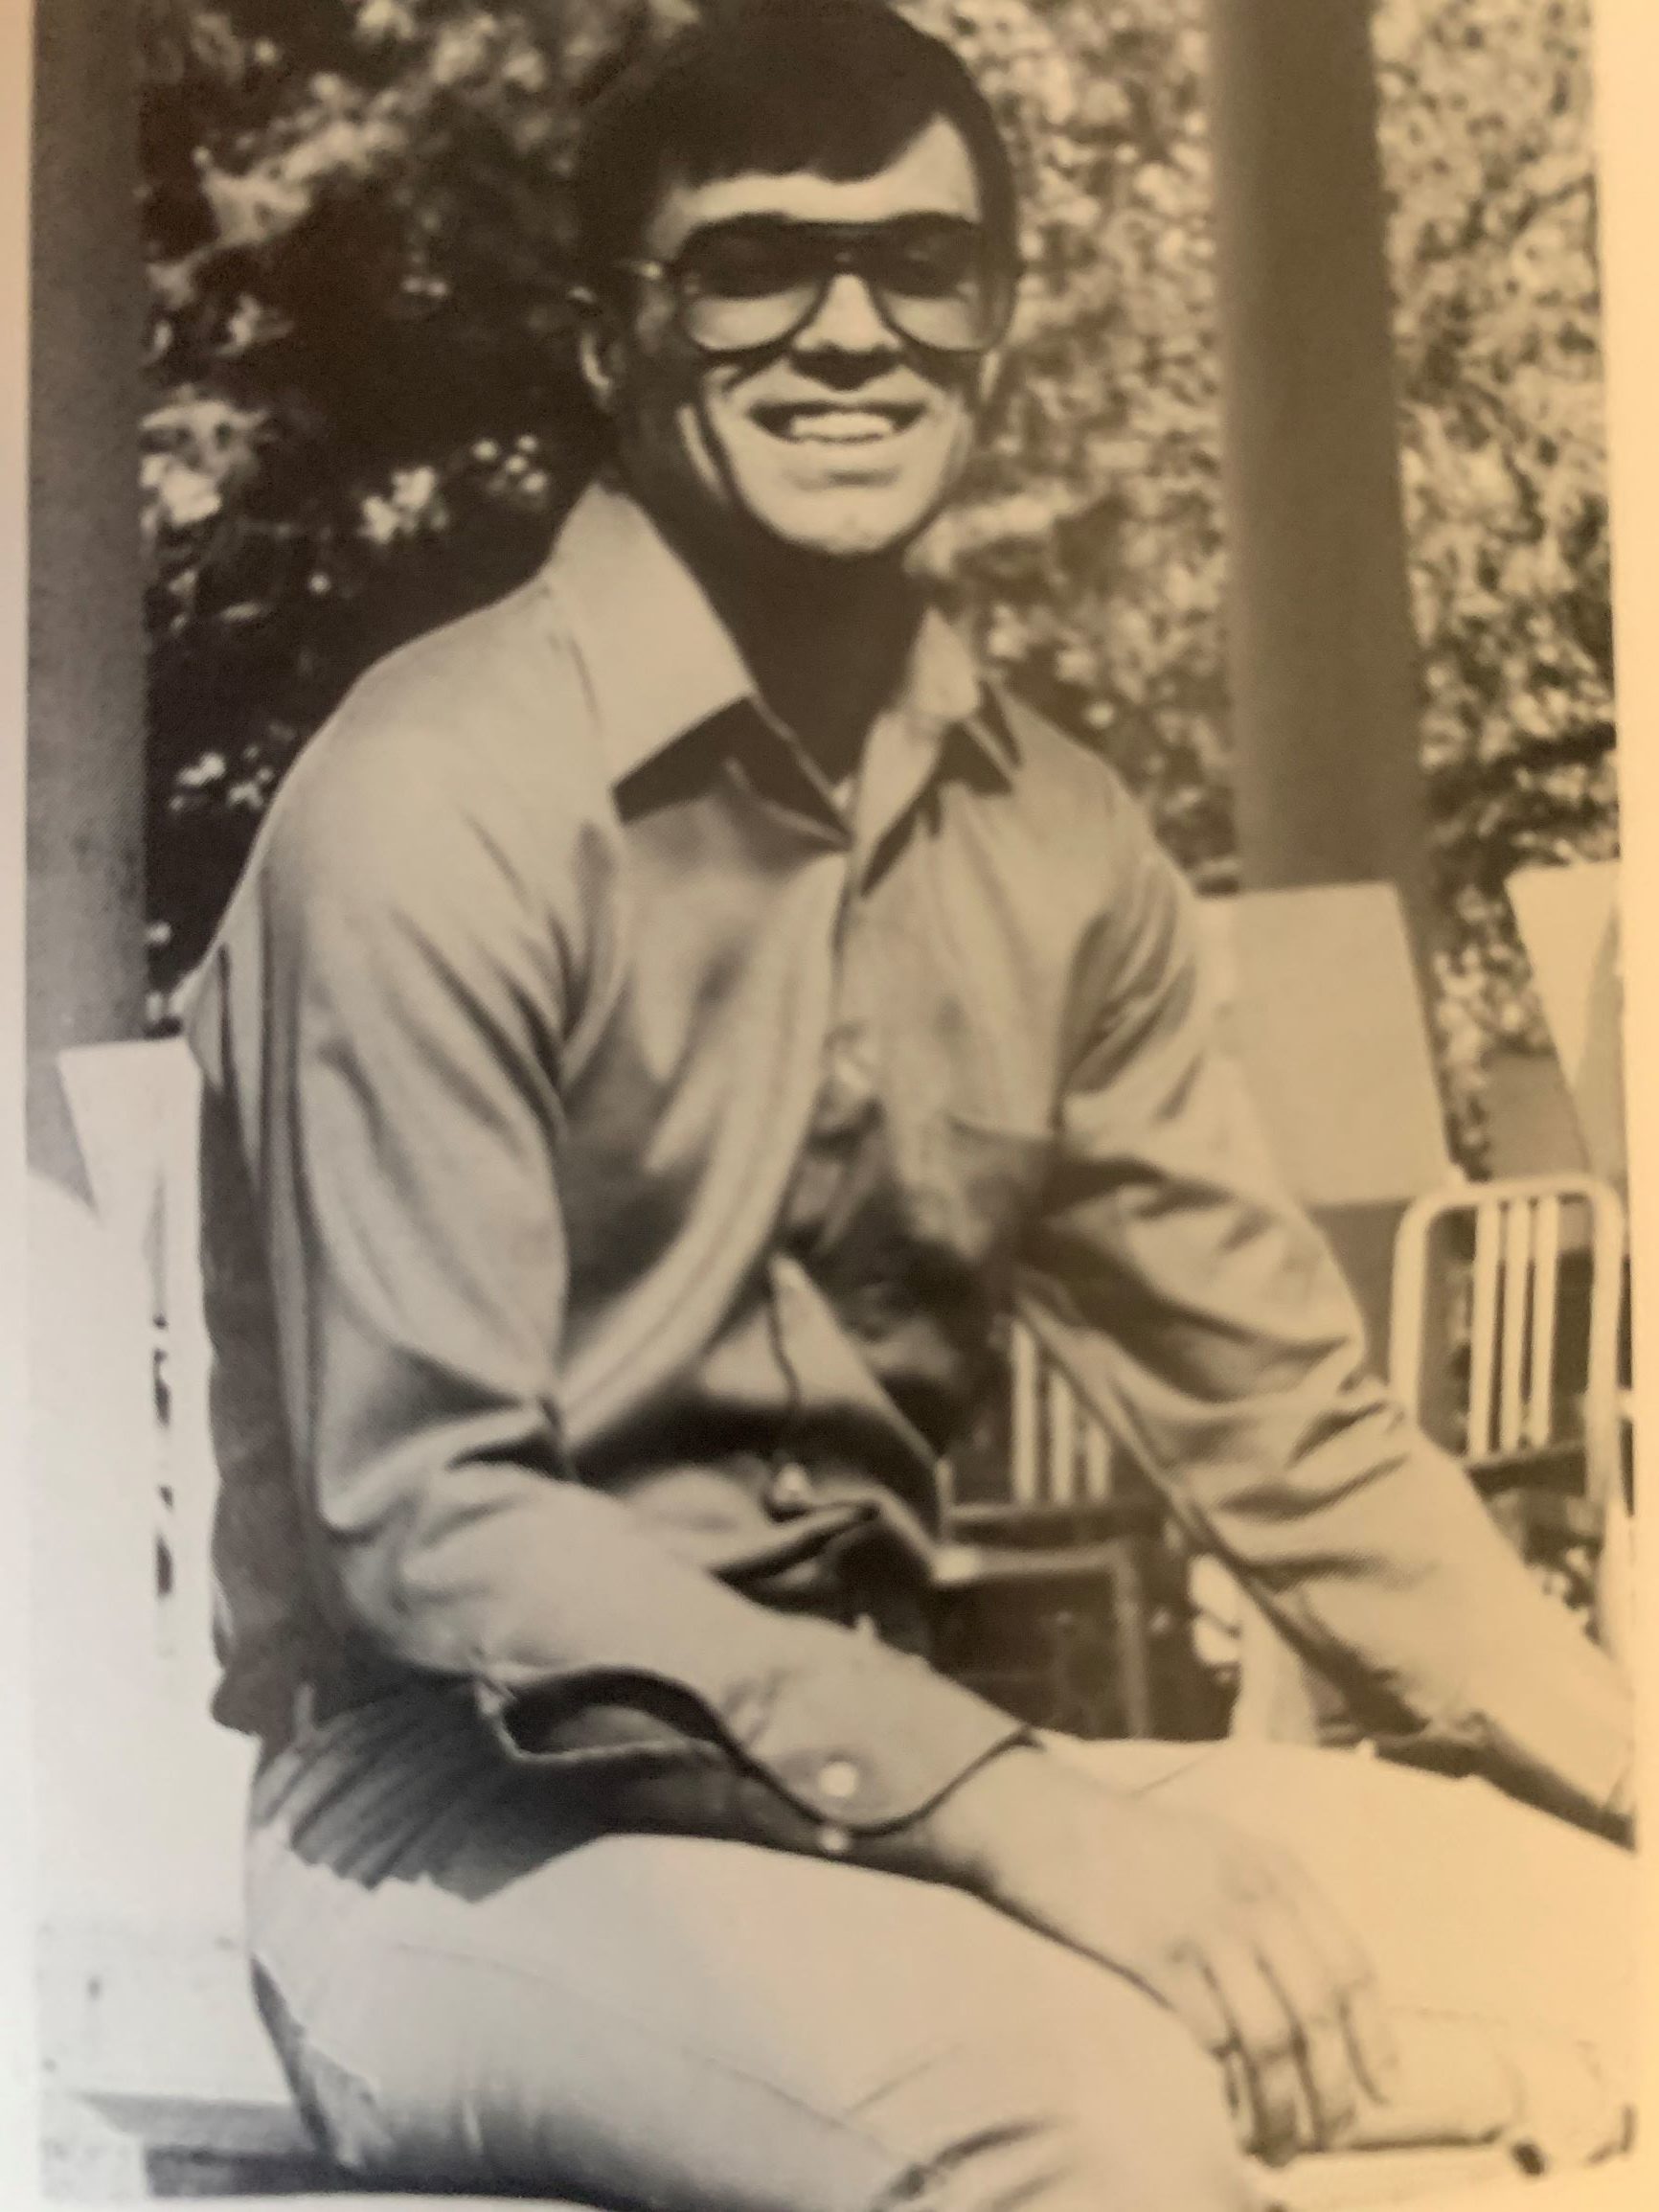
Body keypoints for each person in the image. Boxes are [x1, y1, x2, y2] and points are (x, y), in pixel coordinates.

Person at [184, 5, 1634, 2206]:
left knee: (1618, 1960)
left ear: (993, 329)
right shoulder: (432, 798)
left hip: (893, 1811)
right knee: (1082, 2116)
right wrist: (1014, 1811)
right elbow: (437, 1528)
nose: (848, 334)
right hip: (456, 1832)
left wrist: (1628, 1771)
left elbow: (1300, 1442)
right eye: (754, 264)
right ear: (608, 340)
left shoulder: (1052, 843)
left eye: (917, 267)